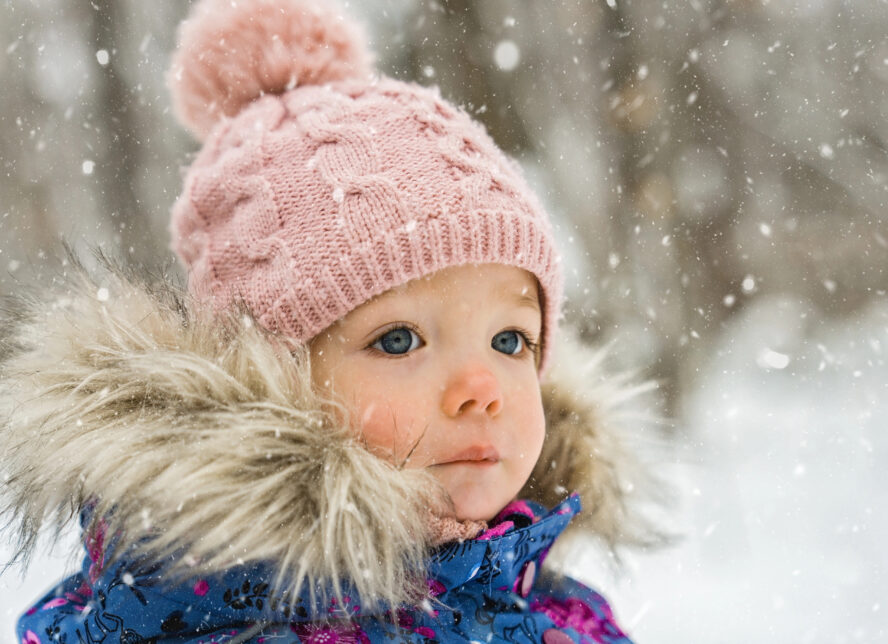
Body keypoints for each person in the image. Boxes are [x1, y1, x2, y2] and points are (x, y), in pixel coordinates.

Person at [0, 0, 656, 641]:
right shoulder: (211, 619)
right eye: (399, 340)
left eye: (510, 339)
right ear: (268, 389)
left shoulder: (553, 609)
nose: (481, 387)